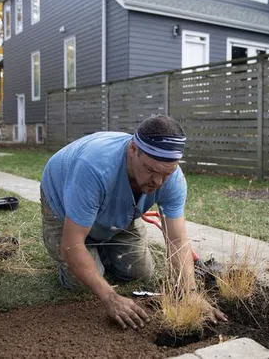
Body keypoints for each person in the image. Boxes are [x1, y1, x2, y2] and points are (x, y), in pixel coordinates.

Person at [40, 115, 227, 330]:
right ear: (132, 150)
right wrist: (110, 297)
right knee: (79, 282)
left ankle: (99, 246)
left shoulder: (171, 178)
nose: (158, 182)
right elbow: (72, 244)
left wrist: (190, 294)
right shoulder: (94, 168)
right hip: (63, 203)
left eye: (167, 173)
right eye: (151, 170)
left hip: (119, 209)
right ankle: (90, 250)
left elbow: (176, 240)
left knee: (140, 272)